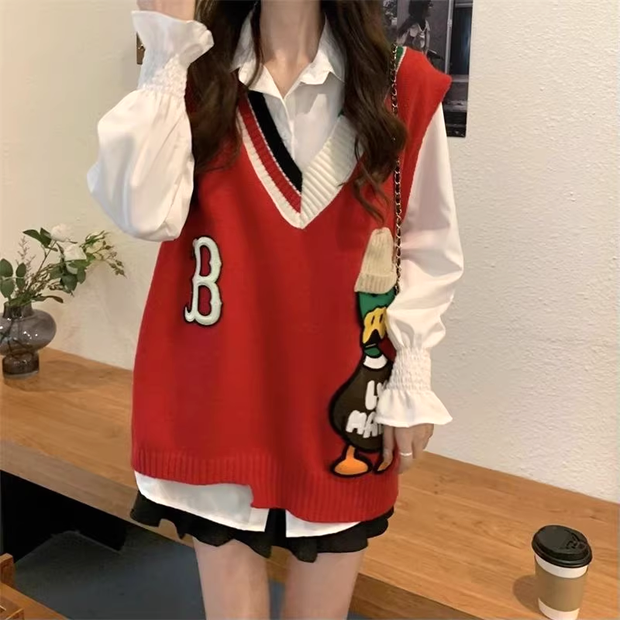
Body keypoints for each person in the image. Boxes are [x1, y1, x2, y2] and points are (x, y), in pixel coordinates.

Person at [88, 0, 463, 617]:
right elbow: (142, 211)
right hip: (217, 391)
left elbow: (427, 244)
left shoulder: (403, 86)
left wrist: (413, 370)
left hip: (343, 400)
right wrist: (166, 49)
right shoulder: (194, 74)